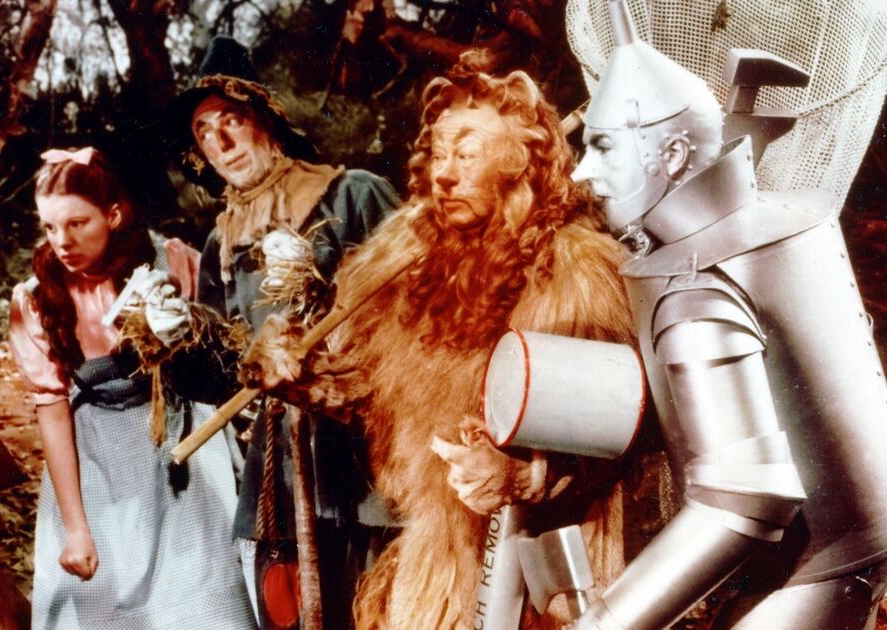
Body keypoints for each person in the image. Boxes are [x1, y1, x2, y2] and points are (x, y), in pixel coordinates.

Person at [247, 65, 635, 629]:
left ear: (522, 162)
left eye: (468, 153)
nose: (445, 175)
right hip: (439, 558)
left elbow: (615, 435)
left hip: (546, 573)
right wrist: (302, 375)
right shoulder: (409, 254)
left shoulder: (574, 268)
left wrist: (521, 474)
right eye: (439, 153)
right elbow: (369, 395)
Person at [565, 1, 887, 628]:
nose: (584, 172)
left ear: (674, 155)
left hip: (815, 573)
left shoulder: (696, 288)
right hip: (843, 553)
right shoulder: (757, 226)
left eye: (604, 148)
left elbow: (742, 501)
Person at [166, 37, 401, 629]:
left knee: (385, 608)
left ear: (265, 121)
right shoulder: (221, 244)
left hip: (370, 456)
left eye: (230, 120)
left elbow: (419, 314)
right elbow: (227, 374)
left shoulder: (352, 195)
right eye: (203, 132)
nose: (220, 143)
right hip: (283, 469)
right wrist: (171, 343)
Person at [8, 147, 255, 629]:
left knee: (201, 590)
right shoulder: (36, 300)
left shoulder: (169, 261)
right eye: (50, 227)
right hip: (97, 455)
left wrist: (183, 327)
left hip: (180, 442)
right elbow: (52, 411)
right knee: (106, 595)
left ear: (114, 215)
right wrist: (75, 528)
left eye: (77, 223)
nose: (63, 241)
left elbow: (221, 359)